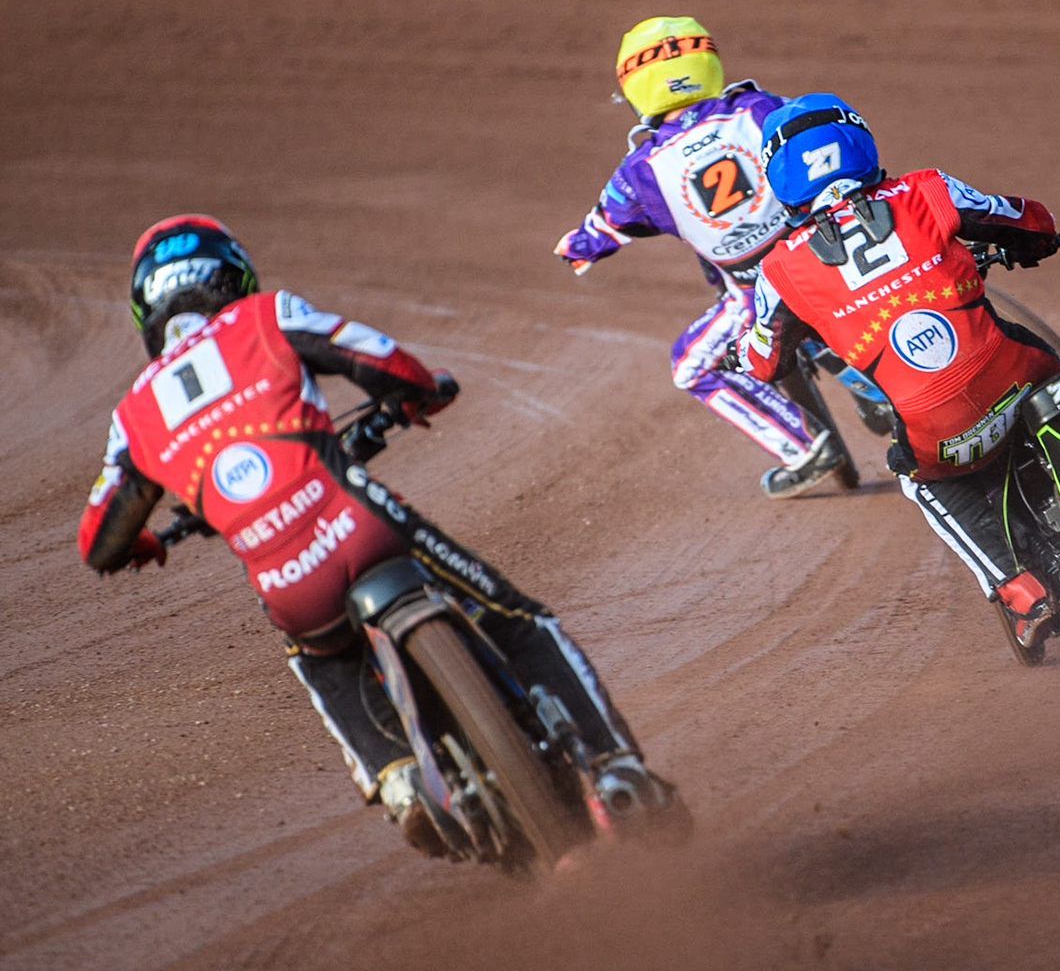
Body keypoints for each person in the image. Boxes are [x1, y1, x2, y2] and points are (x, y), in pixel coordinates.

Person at [79, 215, 675, 856]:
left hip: (289, 587)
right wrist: (416, 396)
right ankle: (616, 766)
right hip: (360, 526)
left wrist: (144, 542)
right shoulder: (265, 315)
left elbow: (99, 541)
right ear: (234, 274)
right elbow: (376, 357)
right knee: (516, 617)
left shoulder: (131, 416)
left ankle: (395, 778)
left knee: (320, 661)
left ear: (147, 308)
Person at [729, 94, 1060, 649]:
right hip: (1017, 371)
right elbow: (1025, 218)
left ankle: (1018, 590)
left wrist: (740, 354)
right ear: (860, 144)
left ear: (781, 181)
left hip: (942, 431)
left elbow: (765, 360)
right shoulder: (925, 188)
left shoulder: (779, 270)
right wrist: (1039, 241)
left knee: (917, 477)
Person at [554, 17, 853, 498]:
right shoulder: (756, 107)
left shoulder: (641, 170)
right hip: (827, 255)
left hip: (756, 296)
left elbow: (603, 225)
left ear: (637, 85)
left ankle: (804, 448)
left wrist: (579, 248)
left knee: (690, 365)